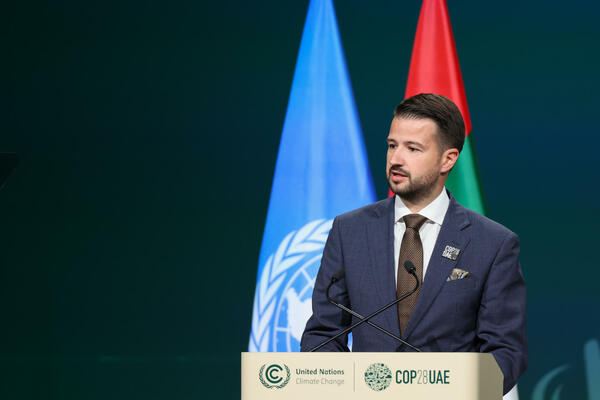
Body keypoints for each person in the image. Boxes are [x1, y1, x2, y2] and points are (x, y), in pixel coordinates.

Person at [300, 93, 527, 395]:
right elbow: (323, 335)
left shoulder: (493, 243)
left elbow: (505, 352)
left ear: (448, 159)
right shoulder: (349, 231)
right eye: (392, 145)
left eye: (412, 148)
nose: (396, 159)